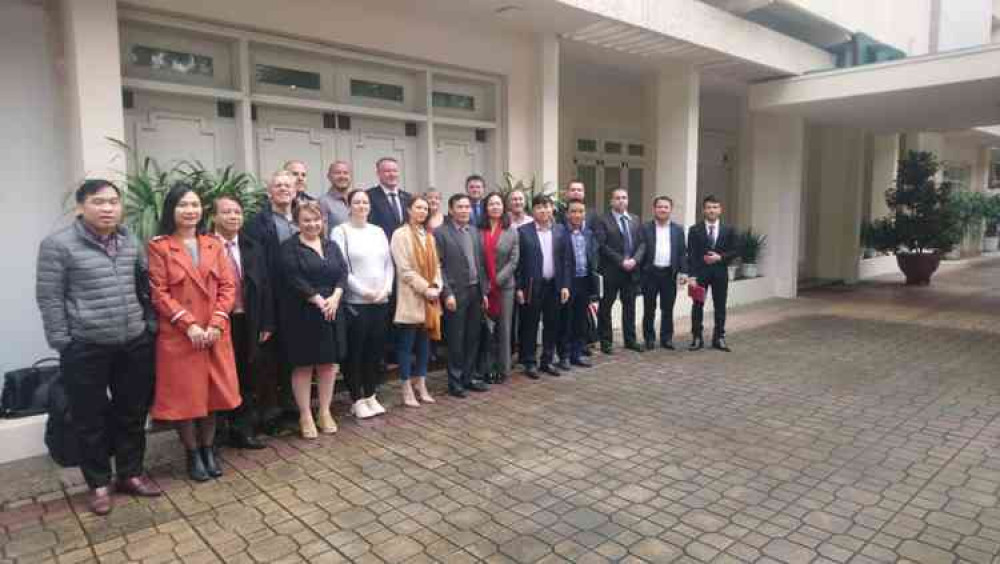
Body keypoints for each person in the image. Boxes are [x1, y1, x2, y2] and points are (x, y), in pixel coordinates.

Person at [35, 179, 161, 515]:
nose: (107, 208)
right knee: (89, 417)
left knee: (132, 412)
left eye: (113, 202)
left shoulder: (130, 239)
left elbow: (144, 284)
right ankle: (99, 484)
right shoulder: (57, 245)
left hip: (133, 341)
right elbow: (49, 298)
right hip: (85, 345)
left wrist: (148, 326)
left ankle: (131, 474)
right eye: (98, 202)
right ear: (80, 207)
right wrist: (63, 342)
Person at [148, 184, 240, 483]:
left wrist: (215, 322)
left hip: (213, 332)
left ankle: (208, 448)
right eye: (183, 205)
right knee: (186, 400)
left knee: (212, 396)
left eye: (195, 205)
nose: (190, 211)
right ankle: (191, 453)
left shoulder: (213, 244)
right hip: (181, 335)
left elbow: (228, 287)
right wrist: (189, 324)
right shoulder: (160, 246)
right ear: (171, 210)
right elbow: (158, 292)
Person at [278, 201, 347, 438]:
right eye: (306, 220)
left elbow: (342, 273)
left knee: (328, 365)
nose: (312, 224)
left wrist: (336, 296)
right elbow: (292, 277)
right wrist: (318, 299)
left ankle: (325, 411)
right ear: (297, 222)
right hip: (303, 312)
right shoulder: (289, 247)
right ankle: (305, 414)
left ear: (323, 221)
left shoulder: (331, 245)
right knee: (304, 365)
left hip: (332, 310)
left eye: (316, 219)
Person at [213, 196, 274, 449]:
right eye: (226, 212)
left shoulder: (251, 246)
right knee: (219, 375)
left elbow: (265, 285)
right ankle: (217, 431)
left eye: (237, 212)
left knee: (247, 374)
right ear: (214, 217)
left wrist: (267, 323)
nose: (233, 217)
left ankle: (243, 429)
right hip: (218, 322)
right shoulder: (205, 246)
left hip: (247, 320)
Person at [244, 170, 299, 434]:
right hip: (271, 301)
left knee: (295, 358)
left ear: (295, 190)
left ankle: (292, 408)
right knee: (269, 361)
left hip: (300, 300)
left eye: (288, 185)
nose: (283, 189)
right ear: (269, 192)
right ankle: (270, 414)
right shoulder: (257, 224)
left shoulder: (305, 218)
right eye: (278, 185)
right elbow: (257, 271)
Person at [332, 190, 395, 418]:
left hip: (381, 300)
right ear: (349, 205)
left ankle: (371, 394)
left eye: (365, 202)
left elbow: (389, 264)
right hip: (356, 303)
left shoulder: (378, 231)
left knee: (374, 350)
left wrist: (386, 289)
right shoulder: (340, 231)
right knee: (356, 353)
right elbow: (342, 268)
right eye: (356, 202)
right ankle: (356, 398)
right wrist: (364, 292)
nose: (362, 205)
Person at [435, 194, 490, 397]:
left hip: (475, 291)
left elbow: (480, 263)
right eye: (460, 207)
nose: (465, 210)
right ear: (451, 210)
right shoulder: (440, 233)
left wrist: (484, 291)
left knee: (472, 337)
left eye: (467, 207)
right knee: (456, 339)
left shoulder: (474, 232)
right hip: (455, 294)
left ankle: (469, 377)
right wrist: (446, 293)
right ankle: (455, 381)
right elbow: (438, 266)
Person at [390, 196, 442, 407]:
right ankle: (406, 388)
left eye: (425, 208)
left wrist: (437, 286)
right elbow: (404, 269)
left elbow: (437, 265)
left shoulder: (429, 236)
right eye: (418, 207)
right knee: (406, 346)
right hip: (412, 296)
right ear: (409, 210)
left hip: (430, 299)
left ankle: (421, 384)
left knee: (424, 345)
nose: (422, 211)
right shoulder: (400, 234)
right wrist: (425, 288)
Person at [517, 194, 571, 378]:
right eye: (539, 207)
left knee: (552, 324)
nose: (543, 210)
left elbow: (565, 260)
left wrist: (565, 285)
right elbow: (519, 264)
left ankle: (547, 360)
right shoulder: (524, 232)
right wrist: (519, 288)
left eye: (546, 206)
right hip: (532, 286)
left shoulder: (561, 230)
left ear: (552, 209)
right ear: (533, 211)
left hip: (554, 285)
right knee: (530, 325)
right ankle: (530, 362)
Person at [593, 187, 646, 354]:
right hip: (611, 271)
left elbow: (642, 244)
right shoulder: (602, 220)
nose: (621, 200)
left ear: (628, 200)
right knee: (605, 307)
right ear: (611, 201)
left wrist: (635, 260)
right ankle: (606, 342)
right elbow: (602, 246)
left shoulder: (636, 219)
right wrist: (621, 261)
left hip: (631, 272)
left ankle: (630, 340)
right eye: (617, 198)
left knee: (629, 307)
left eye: (624, 197)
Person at [478, 191, 519, 382]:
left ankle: (503, 369)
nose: (495, 207)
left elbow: (514, 260)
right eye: (491, 204)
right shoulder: (478, 230)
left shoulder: (511, 230)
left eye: (498, 204)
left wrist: (496, 281)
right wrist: (486, 284)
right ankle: (485, 368)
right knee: (485, 329)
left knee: (503, 328)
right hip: (482, 288)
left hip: (505, 287)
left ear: (504, 207)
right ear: (485, 208)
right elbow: (476, 260)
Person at [687, 195, 736, 352]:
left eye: (715, 207)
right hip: (700, 274)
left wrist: (720, 257)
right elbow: (692, 255)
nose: (712, 210)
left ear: (720, 210)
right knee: (697, 305)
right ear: (703, 210)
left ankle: (719, 337)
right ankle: (697, 337)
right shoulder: (694, 230)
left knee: (720, 306)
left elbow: (736, 250)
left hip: (720, 273)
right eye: (708, 207)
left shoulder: (729, 230)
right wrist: (692, 276)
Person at [639, 196, 688, 351]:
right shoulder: (645, 228)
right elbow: (640, 250)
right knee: (649, 308)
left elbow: (682, 253)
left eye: (666, 207)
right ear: (654, 209)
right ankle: (649, 338)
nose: (662, 209)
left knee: (667, 308)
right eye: (659, 207)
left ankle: (666, 338)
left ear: (670, 210)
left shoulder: (678, 230)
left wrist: (683, 272)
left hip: (669, 274)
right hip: (650, 274)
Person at [562, 198, 600, 368]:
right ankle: (564, 355)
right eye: (573, 211)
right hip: (567, 284)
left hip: (584, 282)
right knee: (566, 320)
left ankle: (576, 354)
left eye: (580, 211)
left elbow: (593, 258)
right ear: (567, 213)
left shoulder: (588, 234)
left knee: (580, 320)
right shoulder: (560, 233)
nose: (577, 215)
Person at [367, 157, 411, 239]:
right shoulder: (368, 196)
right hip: (380, 246)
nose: (392, 174)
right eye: (387, 171)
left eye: (395, 171)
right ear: (378, 173)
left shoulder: (408, 197)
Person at [318, 160, 352, 231]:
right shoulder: (322, 202)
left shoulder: (357, 201)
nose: (342, 176)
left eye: (346, 173)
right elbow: (322, 234)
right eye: (337, 173)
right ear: (329, 176)